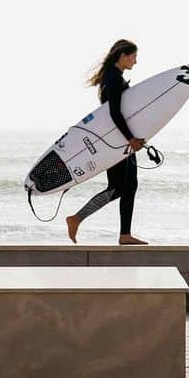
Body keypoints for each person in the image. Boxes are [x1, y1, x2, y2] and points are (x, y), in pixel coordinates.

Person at [66, 39, 148, 246]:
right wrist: (129, 138)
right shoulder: (112, 77)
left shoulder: (115, 76)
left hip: (121, 139)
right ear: (123, 55)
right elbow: (114, 112)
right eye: (134, 56)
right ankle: (76, 218)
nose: (136, 62)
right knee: (118, 187)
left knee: (130, 186)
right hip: (116, 140)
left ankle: (125, 235)